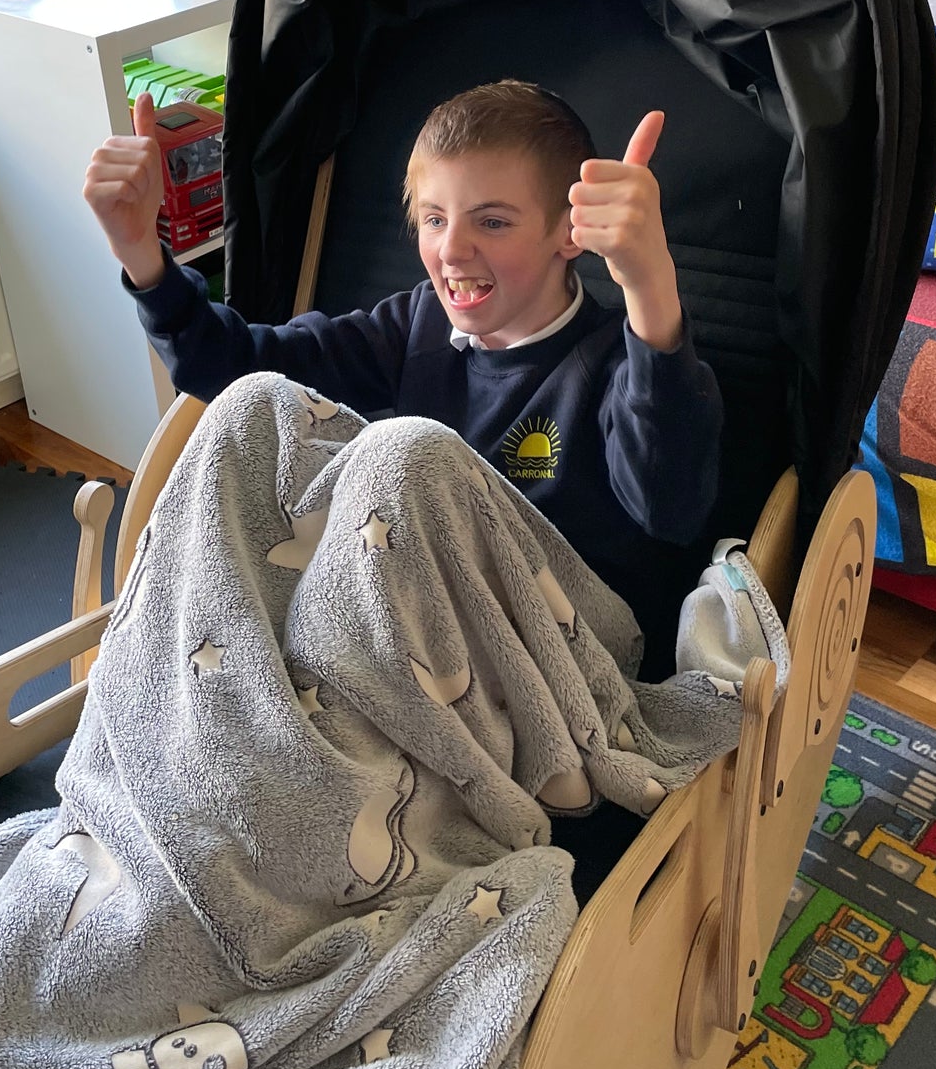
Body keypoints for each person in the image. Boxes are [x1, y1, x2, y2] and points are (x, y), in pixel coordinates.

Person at [83, 80, 723, 667]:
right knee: (251, 406)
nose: (451, 250)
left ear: (569, 234)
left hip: (561, 653)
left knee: (407, 449)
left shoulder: (616, 358)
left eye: (492, 222)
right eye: (436, 220)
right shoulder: (415, 327)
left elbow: (669, 511)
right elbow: (238, 371)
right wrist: (144, 256)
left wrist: (649, 284)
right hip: (413, 629)